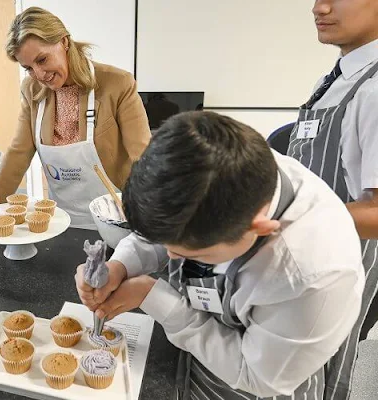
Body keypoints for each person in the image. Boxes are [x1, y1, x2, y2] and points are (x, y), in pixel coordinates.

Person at [76, 111, 364, 399]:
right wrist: (121, 265)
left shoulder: (312, 276)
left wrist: (152, 296)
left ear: (259, 228)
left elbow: (256, 376)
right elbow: (167, 229)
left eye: (190, 253)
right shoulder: (221, 166)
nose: (170, 256)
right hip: (194, 347)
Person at [0, 7, 151, 230]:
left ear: (64, 42)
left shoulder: (116, 84)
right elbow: (17, 156)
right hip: (62, 221)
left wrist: (159, 215)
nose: (39, 75)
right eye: (28, 68)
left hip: (118, 217)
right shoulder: (32, 90)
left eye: (42, 60)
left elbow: (143, 157)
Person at [287, 1, 378, 398]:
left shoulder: (375, 89)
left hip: (342, 269)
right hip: (304, 259)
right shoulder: (338, 78)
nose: (318, 7)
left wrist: (285, 219)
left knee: (324, 374)